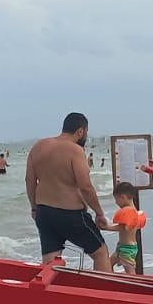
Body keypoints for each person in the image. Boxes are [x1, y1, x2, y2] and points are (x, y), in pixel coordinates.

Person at [27, 112, 112, 271]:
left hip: (44, 212)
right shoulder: (75, 150)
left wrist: (34, 207)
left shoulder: (38, 146)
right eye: (86, 132)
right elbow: (85, 186)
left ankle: (50, 292)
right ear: (81, 131)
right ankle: (104, 292)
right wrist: (99, 213)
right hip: (71, 214)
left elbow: (29, 180)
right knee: (100, 252)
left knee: (50, 260)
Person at [104, 182, 148, 274]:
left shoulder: (129, 212)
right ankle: (111, 281)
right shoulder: (134, 211)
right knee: (108, 264)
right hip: (123, 247)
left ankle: (135, 286)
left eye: (116, 199)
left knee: (130, 272)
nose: (116, 202)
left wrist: (107, 227)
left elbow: (124, 228)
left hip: (127, 249)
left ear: (123, 197)